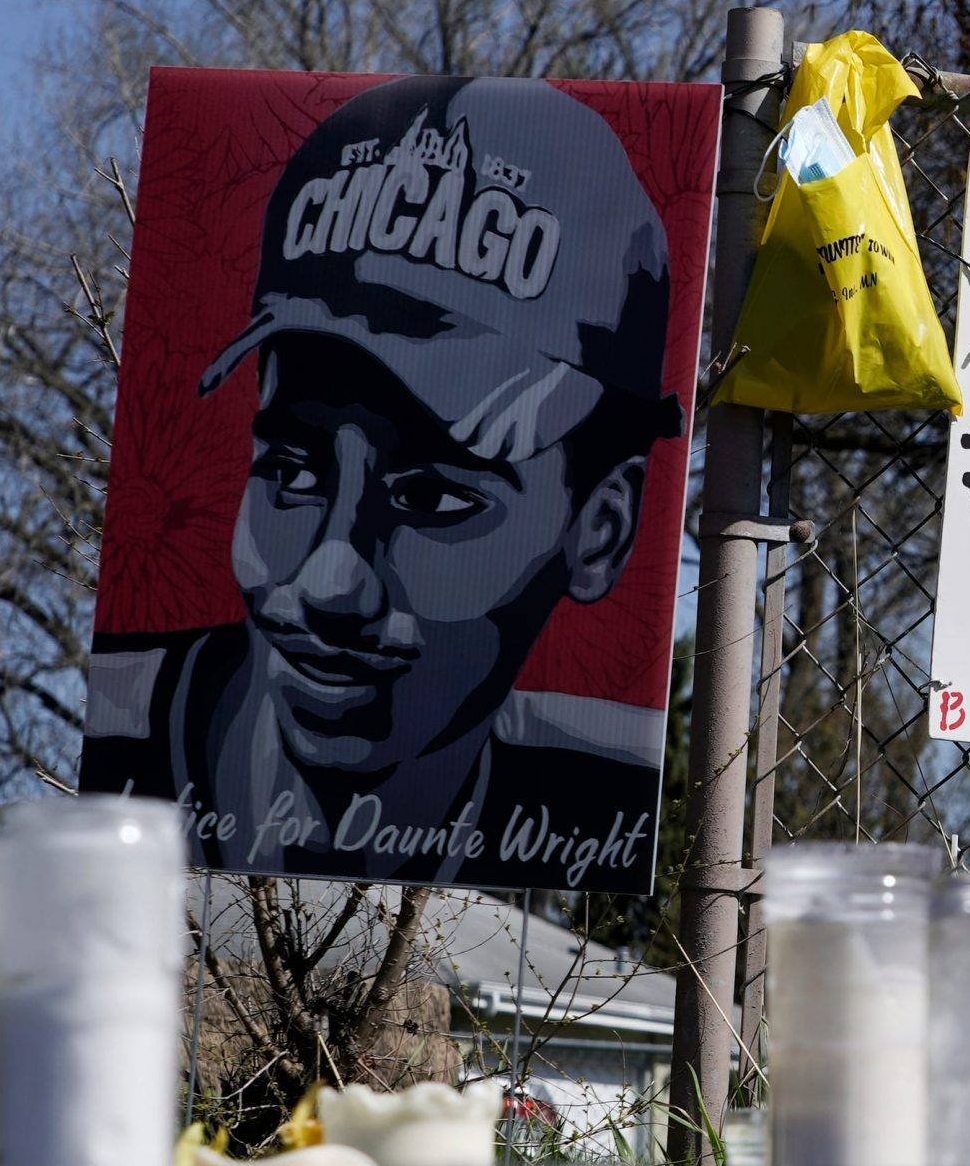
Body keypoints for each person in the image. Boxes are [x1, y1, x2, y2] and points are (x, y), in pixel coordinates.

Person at [80, 75, 681, 887]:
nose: (333, 582)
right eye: (291, 474)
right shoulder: (114, 765)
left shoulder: (599, 799)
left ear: (601, 528)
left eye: (432, 499)